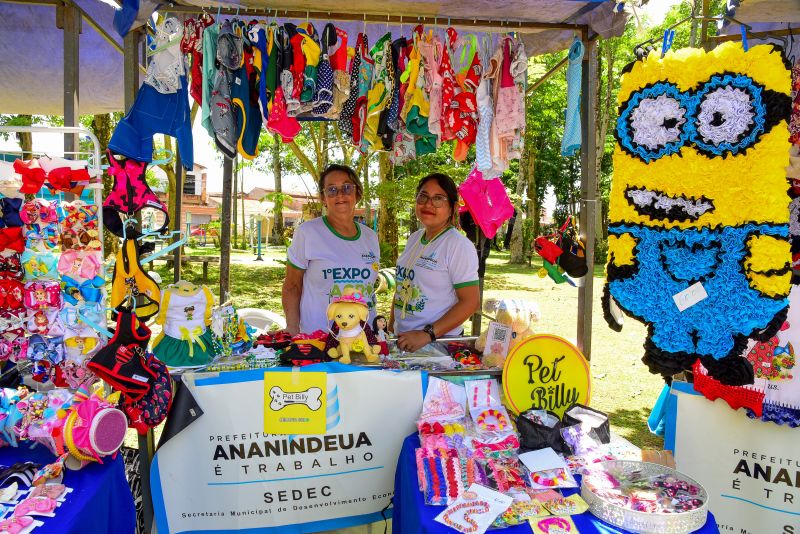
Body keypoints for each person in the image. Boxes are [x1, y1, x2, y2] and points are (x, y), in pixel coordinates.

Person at [282, 164, 380, 335]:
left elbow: (369, 289)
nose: (340, 195)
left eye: (347, 188)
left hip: (364, 337)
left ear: (357, 193)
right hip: (319, 337)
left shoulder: (370, 237)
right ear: (323, 197)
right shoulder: (308, 233)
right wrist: (292, 328)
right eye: (332, 190)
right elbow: (292, 286)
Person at [391, 173, 480, 352]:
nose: (428, 204)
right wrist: (391, 325)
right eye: (423, 196)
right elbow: (403, 285)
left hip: (438, 345)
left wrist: (427, 335)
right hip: (403, 340)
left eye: (438, 199)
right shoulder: (415, 238)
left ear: (453, 207)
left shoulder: (457, 245)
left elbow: (470, 302)